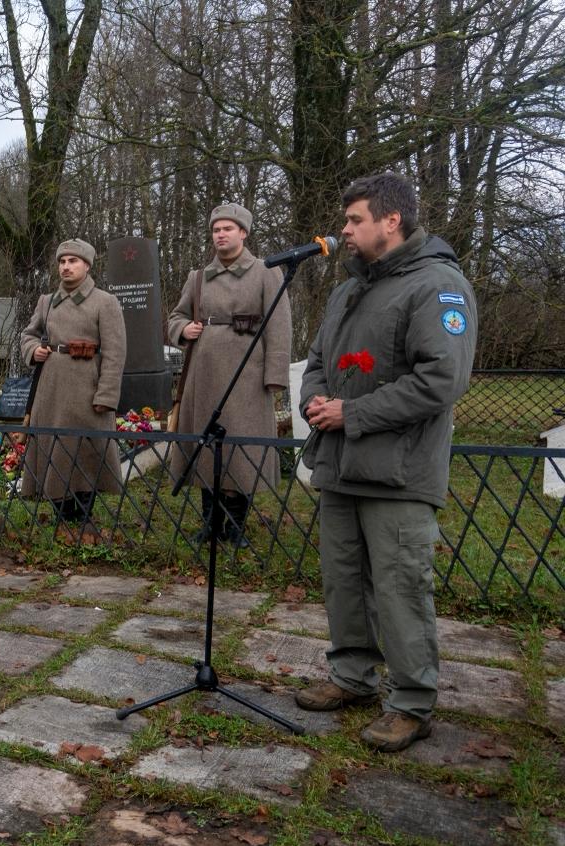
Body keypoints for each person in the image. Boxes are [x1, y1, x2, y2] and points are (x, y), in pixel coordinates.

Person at [297, 172, 477, 752]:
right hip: (341, 465)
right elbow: (319, 359)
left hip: (398, 471)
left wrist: (354, 413)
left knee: (401, 587)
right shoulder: (349, 289)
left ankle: (412, 701)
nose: (344, 230)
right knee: (343, 581)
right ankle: (352, 677)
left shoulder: (438, 286)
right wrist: (314, 400)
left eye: (354, 220)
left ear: (390, 220)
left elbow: (441, 380)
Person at [166, 204, 291, 547]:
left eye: (228, 228)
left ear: (244, 233)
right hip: (203, 375)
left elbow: (279, 327)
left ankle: (235, 527)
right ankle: (210, 523)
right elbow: (174, 317)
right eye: (216, 229)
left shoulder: (267, 272)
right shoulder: (198, 277)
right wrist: (183, 329)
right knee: (206, 452)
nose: (221, 234)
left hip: (246, 375)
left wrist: (274, 376)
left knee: (239, 451)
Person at [19, 238, 126, 531]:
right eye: (62, 262)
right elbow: (28, 334)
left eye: (73, 261)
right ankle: (62, 516)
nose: (66, 267)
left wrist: (106, 395)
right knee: (53, 450)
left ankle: (81, 517)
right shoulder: (46, 301)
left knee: (85, 453)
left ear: (87, 266)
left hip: (87, 390)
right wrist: (33, 351)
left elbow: (116, 353)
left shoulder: (105, 302)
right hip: (51, 390)